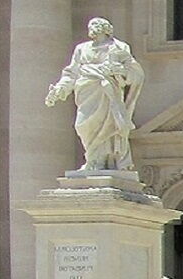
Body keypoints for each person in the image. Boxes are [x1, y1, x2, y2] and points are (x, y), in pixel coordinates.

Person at [45, 17, 144, 173]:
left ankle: (100, 161)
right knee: (82, 125)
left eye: (96, 25)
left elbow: (133, 72)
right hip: (85, 90)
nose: (92, 28)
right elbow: (71, 72)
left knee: (108, 127)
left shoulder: (118, 47)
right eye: (91, 25)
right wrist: (60, 89)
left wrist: (119, 71)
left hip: (107, 92)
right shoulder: (81, 49)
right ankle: (92, 158)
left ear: (106, 29)